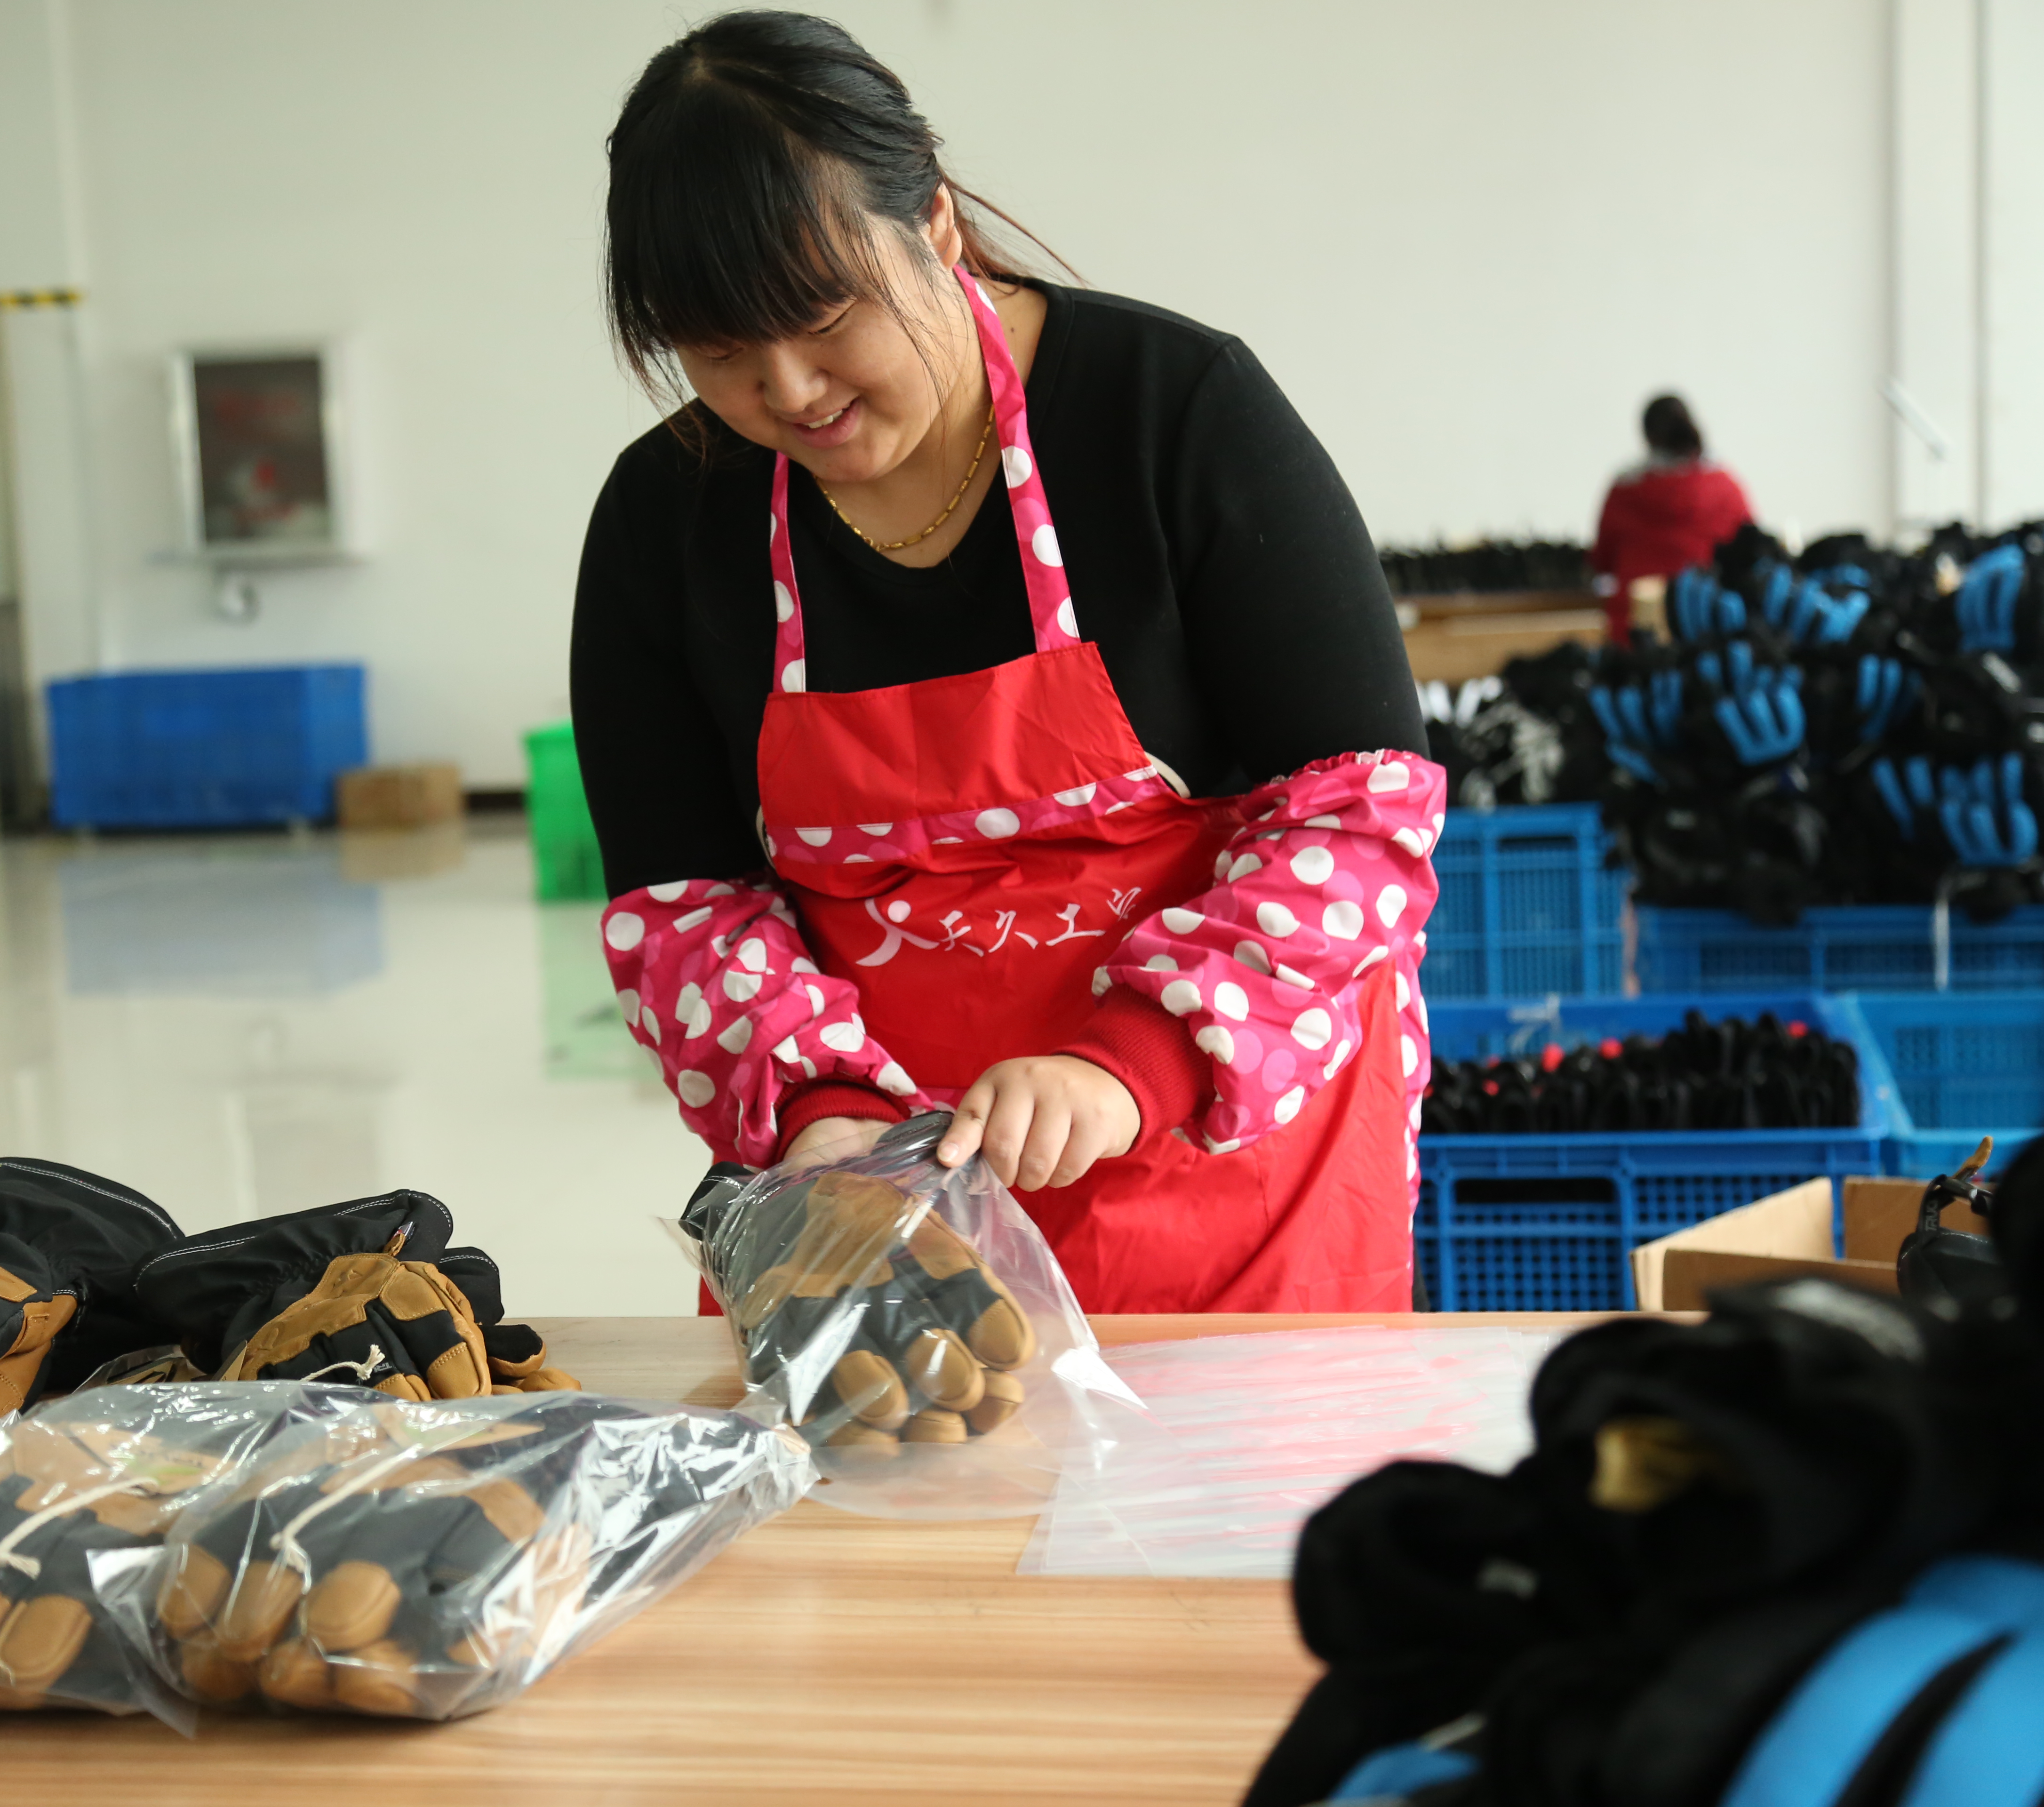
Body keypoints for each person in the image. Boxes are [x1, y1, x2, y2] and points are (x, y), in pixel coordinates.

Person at [569, 12, 1443, 1313]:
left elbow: (1362, 812)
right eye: (720, 353)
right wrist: (820, 1105)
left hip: (1230, 1186)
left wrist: (1134, 1061)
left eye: (821, 316)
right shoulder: (666, 516)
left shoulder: (1168, 411)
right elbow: (683, 903)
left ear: (932, 224)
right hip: (882, 1224)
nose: (789, 389)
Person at [1589, 393, 1754, 641]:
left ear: (1647, 436)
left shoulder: (1624, 490)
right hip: (1706, 624)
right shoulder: (1725, 487)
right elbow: (1752, 550)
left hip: (1635, 627)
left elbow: (1602, 560)